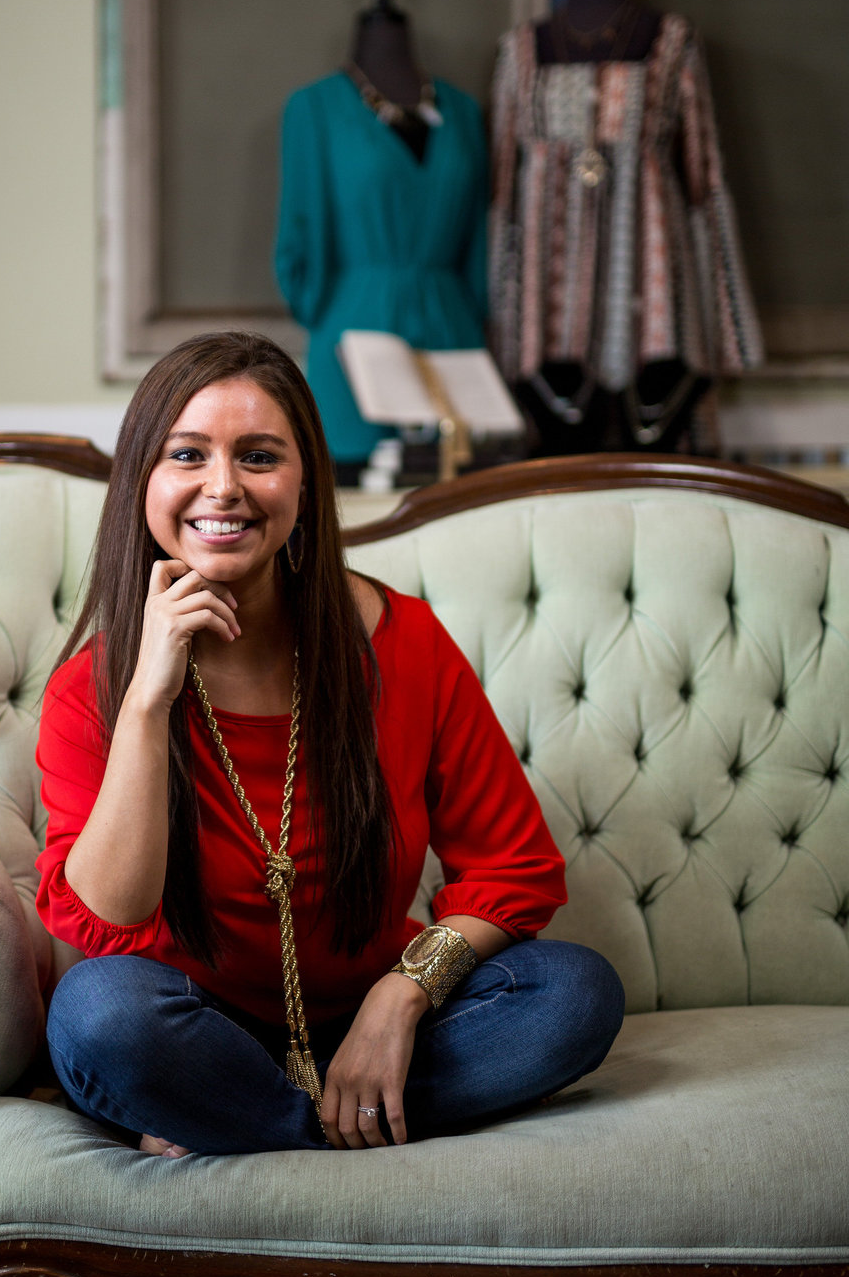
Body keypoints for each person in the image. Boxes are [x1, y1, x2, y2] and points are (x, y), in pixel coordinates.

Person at [37, 331, 624, 1156]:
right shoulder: (90, 692)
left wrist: (401, 998)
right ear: (143, 480)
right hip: (191, 1027)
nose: (224, 487)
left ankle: (247, 1123)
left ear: (306, 483)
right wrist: (147, 700)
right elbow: (105, 920)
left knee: (574, 992)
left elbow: (513, 868)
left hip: (372, 1018)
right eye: (187, 455)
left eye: (259, 456)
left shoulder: (405, 642)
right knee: (102, 1016)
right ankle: (326, 1124)